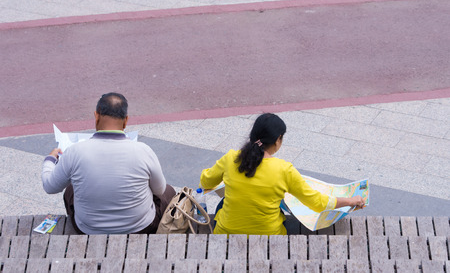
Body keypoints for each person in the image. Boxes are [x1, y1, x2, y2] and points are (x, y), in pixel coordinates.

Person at [200, 113, 365, 235]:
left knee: (224, 202)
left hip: (226, 232)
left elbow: (206, 182)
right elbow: (317, 202)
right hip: (269, 235)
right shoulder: (284, 169)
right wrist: (350, 200)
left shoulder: (231, 158)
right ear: (278, 139)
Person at [41, 92, 176, 234]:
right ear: (126, 120)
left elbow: (50, 187)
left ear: (96, 116)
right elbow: (159, 191)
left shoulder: (75, 152)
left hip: (87, 230)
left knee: (70, 190)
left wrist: (50, 160)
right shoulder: (143, 151)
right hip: (141, 228)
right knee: (168, 191)